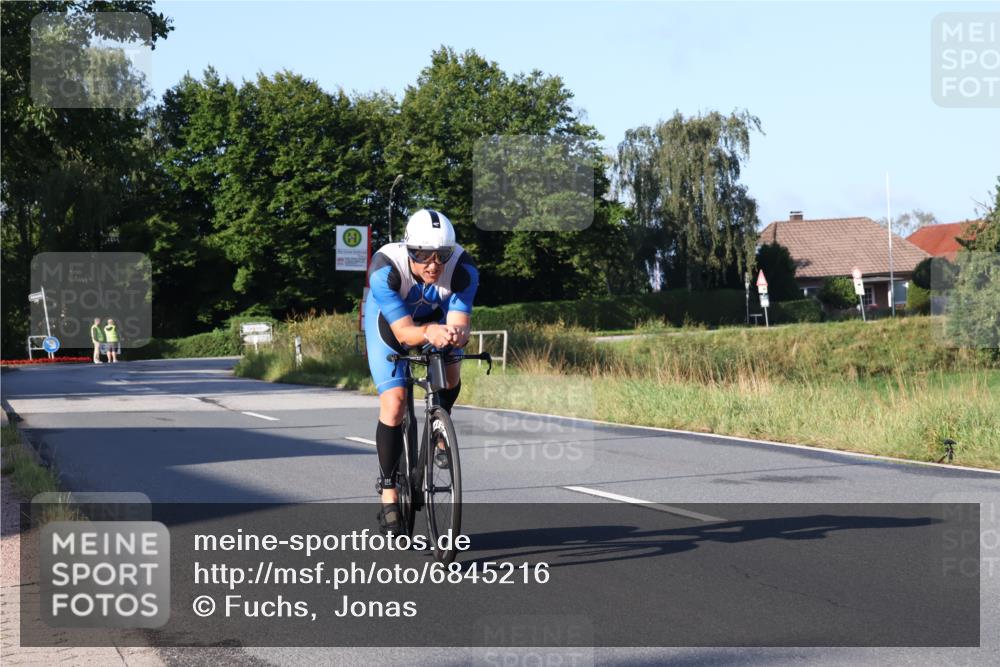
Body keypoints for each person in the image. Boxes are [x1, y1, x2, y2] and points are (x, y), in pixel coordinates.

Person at [364, 209, 479, 535]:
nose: (433, 264)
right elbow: (404, 334)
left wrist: (456, 335)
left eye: (442, 255)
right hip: (391, 324)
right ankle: (389, 490)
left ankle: (440, 427)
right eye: (423, 255)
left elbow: (459, 323)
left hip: (436, 320)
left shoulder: (463, 269)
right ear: (408, 249)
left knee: (452, 375)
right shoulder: (385, 270)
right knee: (395, 402)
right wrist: (429, 332)